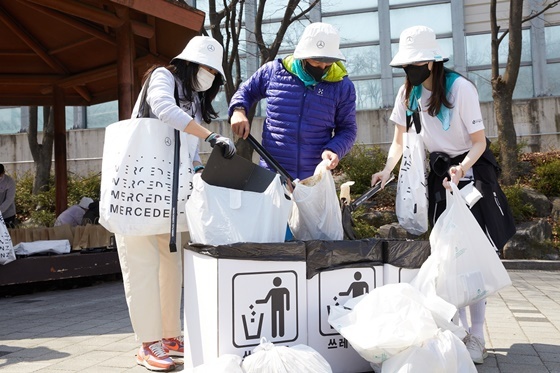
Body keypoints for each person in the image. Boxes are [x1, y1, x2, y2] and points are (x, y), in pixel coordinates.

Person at [371, 25, 516, 365]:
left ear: (433, 62)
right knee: (448, 258)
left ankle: (478, 333)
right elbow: (399, 142)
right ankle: (460, 332)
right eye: (405, 65)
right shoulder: (408, 94)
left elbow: (479, 142)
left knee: (472, 256)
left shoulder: (460, 89)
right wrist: (386, 170)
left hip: (470, 172)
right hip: (439, 178)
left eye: (415, 63)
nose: (409, 70)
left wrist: (462, 168)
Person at [114, 36, 235, 372]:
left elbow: (190, 156)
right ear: (188, 63)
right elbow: (163, 109)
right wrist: (209, 135)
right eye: (205, 67)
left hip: (170, 194)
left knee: (172, 266)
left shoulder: (195, 101)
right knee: (141, 266)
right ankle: (147, 343)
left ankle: (169, 336)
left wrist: (205, 167)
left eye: (214, 70)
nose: (209, 74)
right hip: (138, 190)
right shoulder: (162, 77)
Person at [229, 22, 357, 181]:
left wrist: (334, 149)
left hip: (314, 177)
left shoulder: (342, 86)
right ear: (303, 55)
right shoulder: (275, 72)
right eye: (317, 62)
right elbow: (246, 91)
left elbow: (347, 129)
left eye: (328, 62)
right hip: (272, 173)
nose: (323, 66)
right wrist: (239, 110)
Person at [0, 164, 16, 228]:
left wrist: (0, 211)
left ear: (3, 172)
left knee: (8, 235)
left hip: (7, 215)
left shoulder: (9, 181)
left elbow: (9, 199)